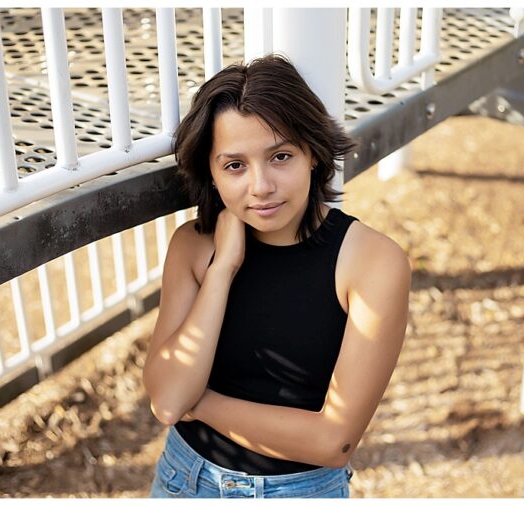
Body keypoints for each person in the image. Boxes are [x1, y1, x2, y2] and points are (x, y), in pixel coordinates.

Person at [141, 55, 413, 499]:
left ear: (312, 154)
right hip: (183, 479)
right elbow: (169, 398)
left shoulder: (371, 262)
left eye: (280, 156)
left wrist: (200, 403)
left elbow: (333, 440)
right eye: (234, 166)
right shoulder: (193, 246)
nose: (261, 185)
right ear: (211, 174)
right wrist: (222, 270)